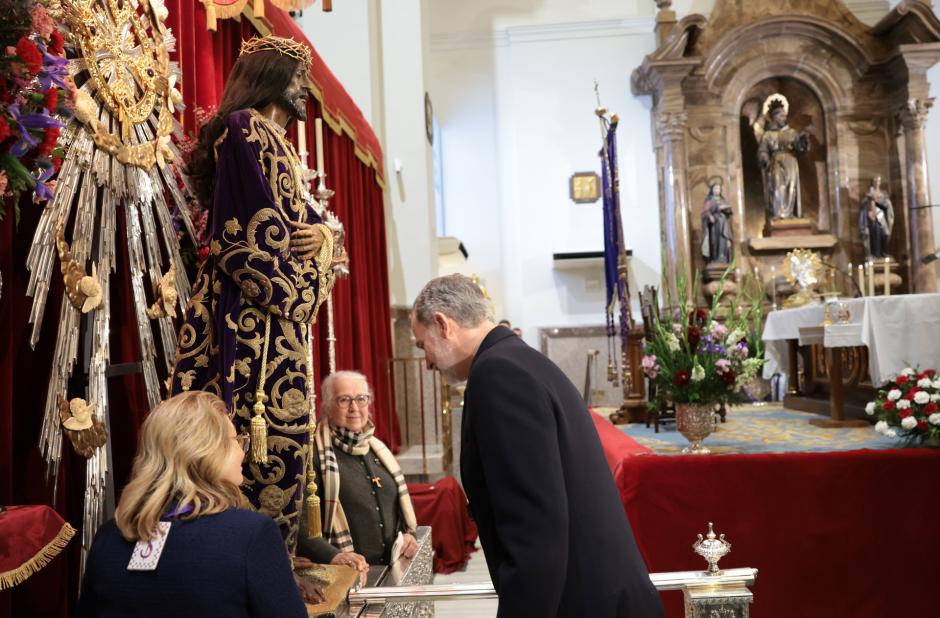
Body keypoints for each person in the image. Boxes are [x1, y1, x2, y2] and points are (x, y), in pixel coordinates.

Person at [170, 35, 345, 549]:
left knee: (287, 441)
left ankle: (280, 557)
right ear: (268, 76)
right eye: (295, 79)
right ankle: (255, 560)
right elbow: (242, 235)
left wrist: (328, 239)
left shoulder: (279, 144)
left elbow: (309, 226)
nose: (303, 92)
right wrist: (302, 284)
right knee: (257, 438)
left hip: (276, 318)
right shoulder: (246, 130)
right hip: (251, 317)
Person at [410, 274, 664, 618]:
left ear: (443, 324)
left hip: (582, 602)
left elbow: (534, 532)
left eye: (422, 345)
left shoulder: (497, 374)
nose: (426, 362)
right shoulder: (518, 359)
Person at [75, 391, 317, 618]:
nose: (243, 452)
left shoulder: (109, 536)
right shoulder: (250, 534)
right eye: (235, 440)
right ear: (207, 450)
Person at [296, 371, 418, 576]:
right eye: (344, 400)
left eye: (361, 399)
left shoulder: (378, 448)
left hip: (392, 571)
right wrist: (333, 556)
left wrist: (407, 534)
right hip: (347, 576)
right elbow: (301, 524)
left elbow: (399, 503)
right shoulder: (313, 457)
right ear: (326, 405)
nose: (355, 408)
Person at [756, 95, 808, 220]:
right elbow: (763, 150)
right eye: (781, 116)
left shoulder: (792, 132)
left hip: (790, 161)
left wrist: (802, 141)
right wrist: (764, 158)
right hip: (776, 162)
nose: (784, 118)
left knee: (791, 187)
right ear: (774, 117)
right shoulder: (768, 134)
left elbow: (800, 149)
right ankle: (778, 214)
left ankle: (789, 214)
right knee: (778, 187)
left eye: (785, 116)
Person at [859, 176, 894, 259]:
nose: (877, 182)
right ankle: (876, 254)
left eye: (878, 181)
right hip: (873, 217)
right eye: (875, 181)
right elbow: (863, 204)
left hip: (881, 216)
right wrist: (869, 202)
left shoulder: (883, 193)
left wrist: (879, 202)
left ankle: (884, 252)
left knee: (885, 234)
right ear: (872, 182)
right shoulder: (869, 193)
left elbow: (886, 205)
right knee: (875, 235)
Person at [701, 177, 733, 265]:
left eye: (719, 188)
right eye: (715, 188)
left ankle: (723, 256)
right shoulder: (709, 201)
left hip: (724, 225)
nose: (717, 190)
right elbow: (705, 212)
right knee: (715, 241)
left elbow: (728, 211)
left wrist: (728, 211)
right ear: (712, 190)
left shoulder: (723, 200)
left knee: (723, 240)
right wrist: (710, 216)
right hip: (715, 225)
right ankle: (715, 257)